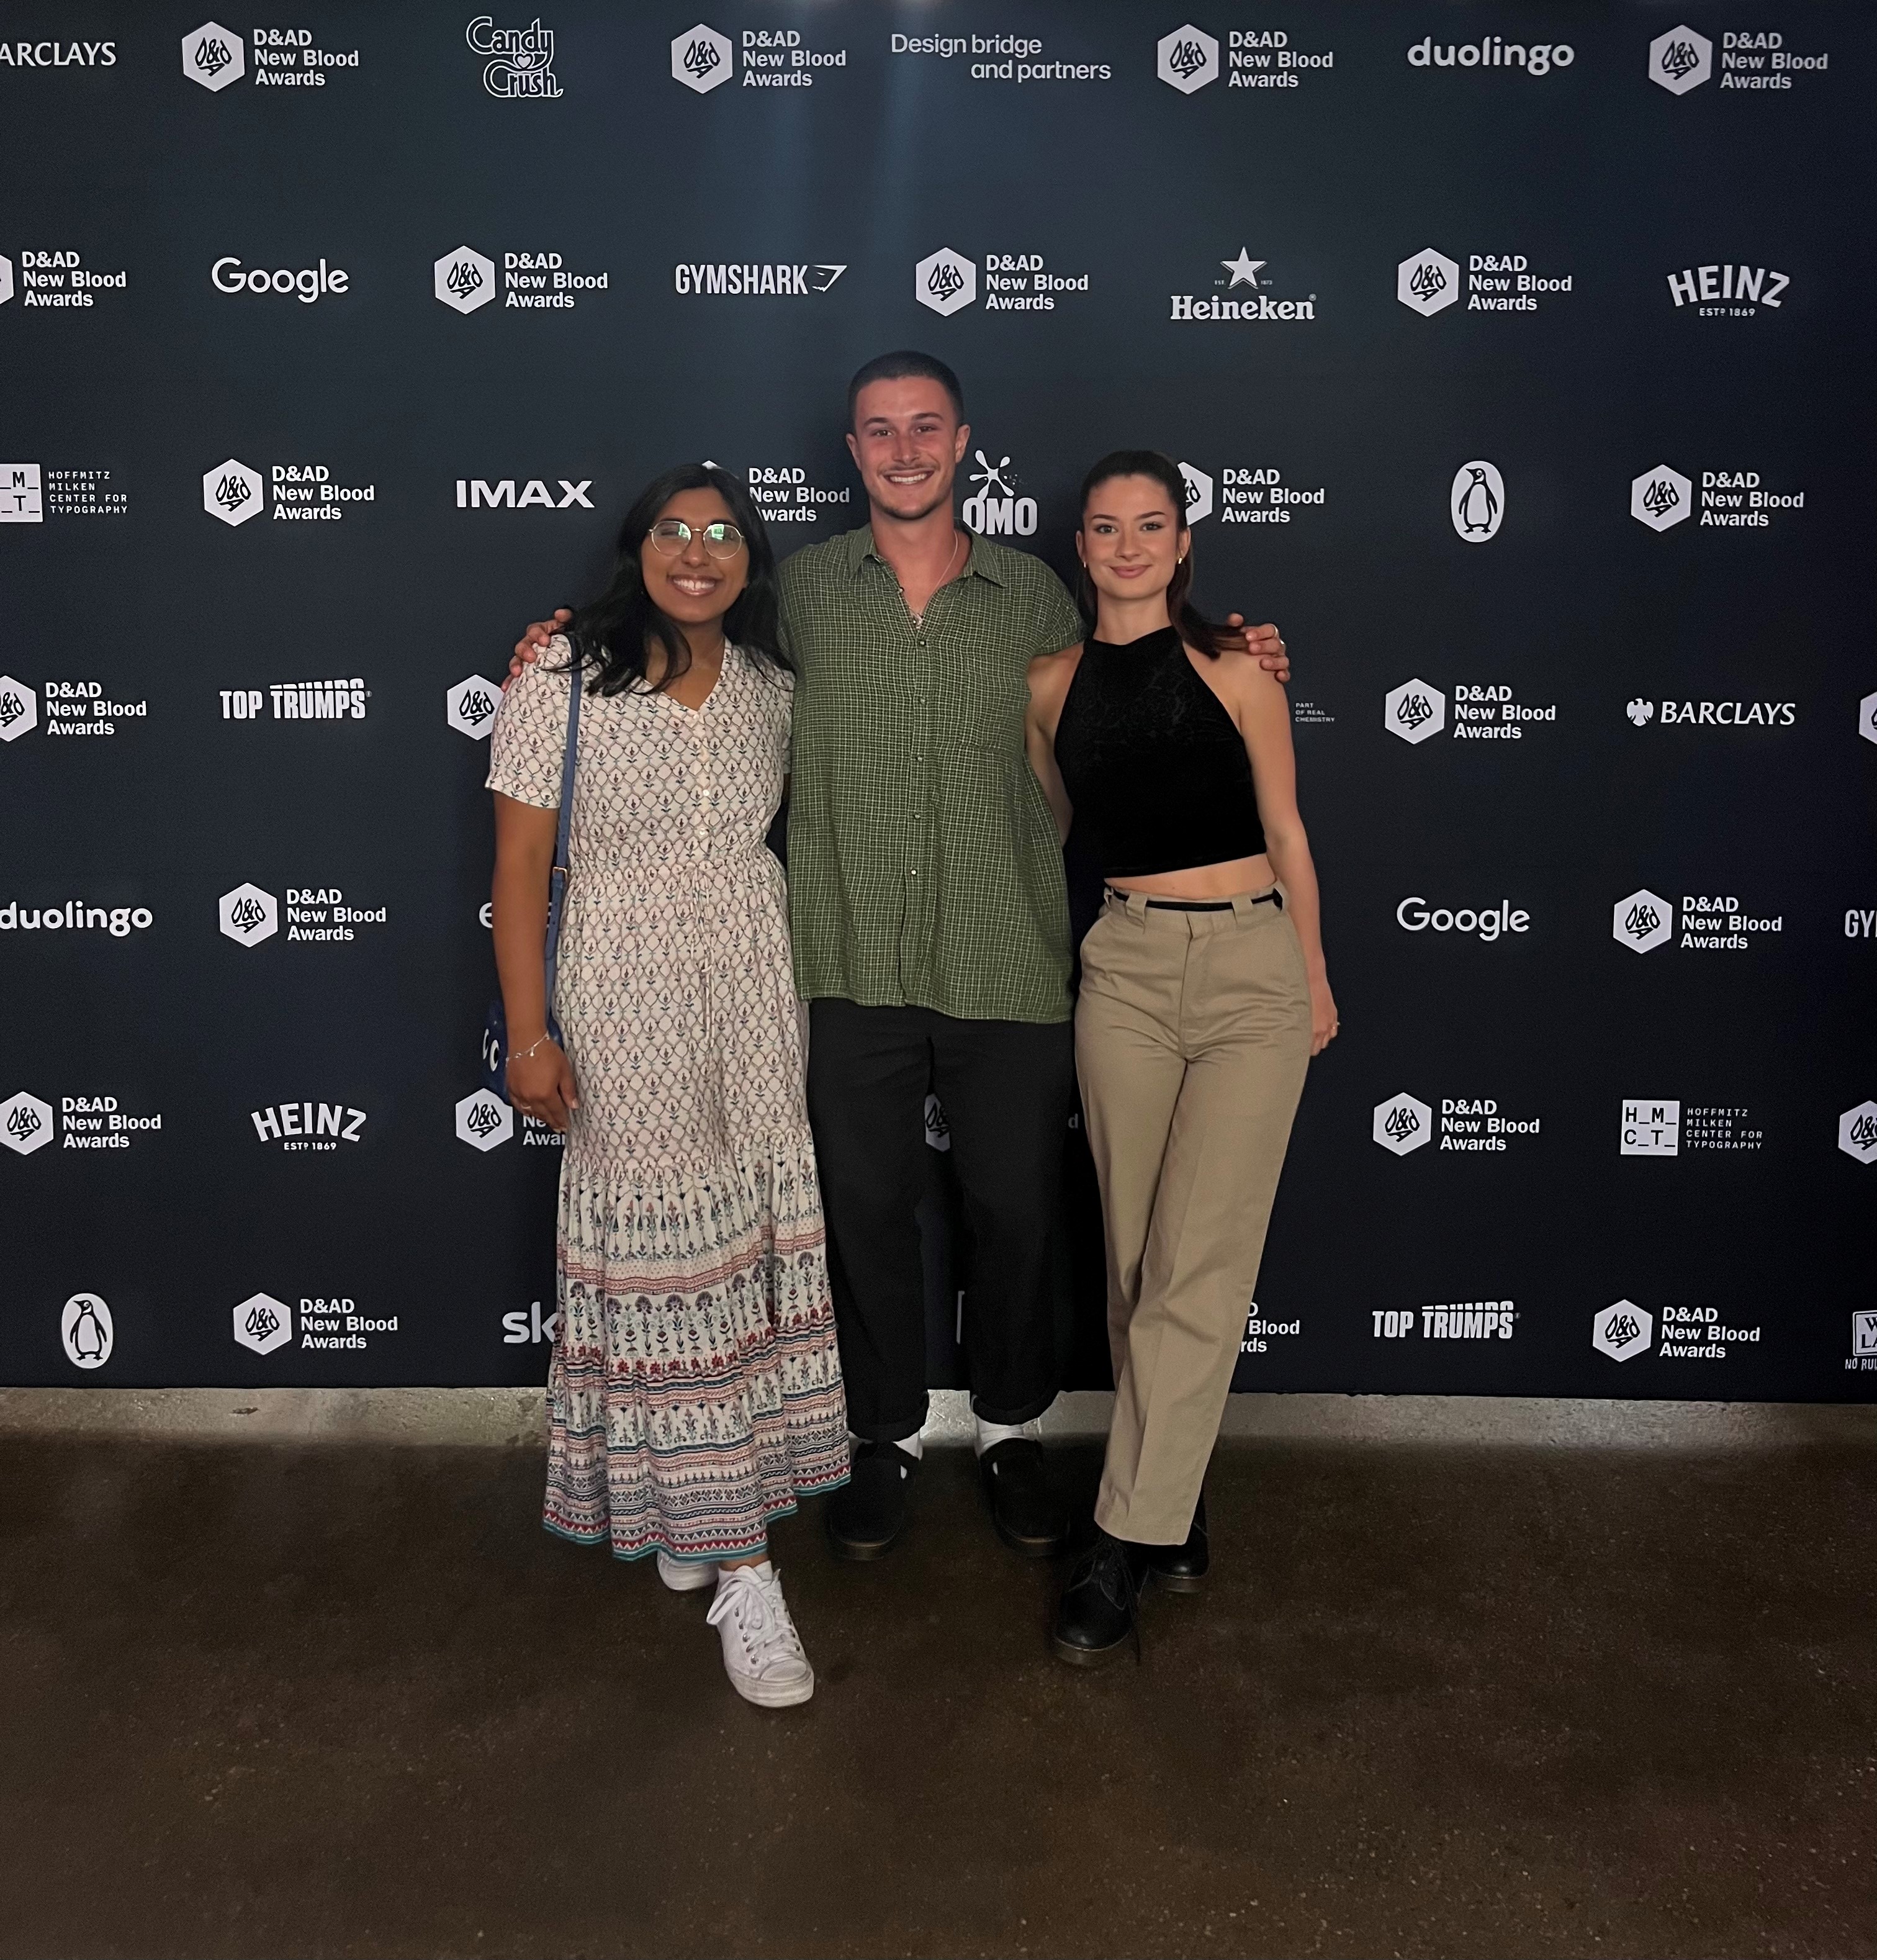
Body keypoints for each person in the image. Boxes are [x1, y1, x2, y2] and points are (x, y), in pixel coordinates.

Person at [510, 352, 1292, 1571]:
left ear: (965, 442)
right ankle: (882, 1438)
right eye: (881, 432)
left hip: (1010, 955)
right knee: (865, 1210)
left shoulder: (1040, 597)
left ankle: (1012, 1430)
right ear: (855, 451)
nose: (906, 450)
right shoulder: (799, 597)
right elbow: (679, 625)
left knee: (1018, 1213)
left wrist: (1240, 651)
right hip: (843, 957)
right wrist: (562, 640)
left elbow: (1151, 667)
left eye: (927, 428)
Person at [487, 463, 847, 1709]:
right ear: (637, 547)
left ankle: (703, 1515)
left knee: (739, 1249)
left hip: (752, 984)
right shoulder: (558, 678)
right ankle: (746, 1568)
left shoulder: (771, 687)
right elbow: (522, 865)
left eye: (724, 535)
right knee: (672, 1261)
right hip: (621, 988)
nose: (698, 553)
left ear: (751, 559)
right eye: (674, 532)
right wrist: (529, 1036)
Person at [1024, 451, 1338, 1664]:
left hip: (1255, 971)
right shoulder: (1046, 687)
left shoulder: (1241, 670)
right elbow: (1048, 825)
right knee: (1136, 1257)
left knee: (1200, 1262)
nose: (1129, 544)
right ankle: (1174, 1489)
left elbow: (1287, 828)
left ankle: (1120, 1538)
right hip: (1129, 970)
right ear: (1083, 545)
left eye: (1151, 523)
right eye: (1105, 526)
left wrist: (1311, 975)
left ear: (1185, 538)